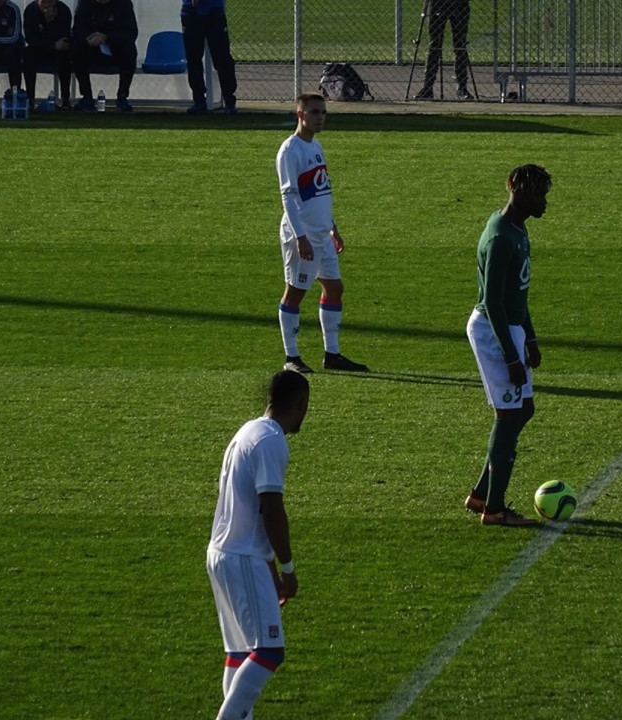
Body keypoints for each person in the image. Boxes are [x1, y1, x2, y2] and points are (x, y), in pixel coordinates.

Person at [206, 370, 309, 720]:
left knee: (240, 652)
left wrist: (271, 572)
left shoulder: (248, 431)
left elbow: (250, 509)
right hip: (242, 557)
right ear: (301, 404)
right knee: (268, 651)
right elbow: (271, 509)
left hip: (223, 552)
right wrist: (287, 568)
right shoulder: (271, 442)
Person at [464, 164, 552, 527]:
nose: (544, 202)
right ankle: (495, 510)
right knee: (508, 415)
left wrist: (529, 338)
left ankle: (482, 494)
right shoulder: (501, 237)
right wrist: (512, 356)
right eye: (539, 194)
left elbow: (519, 294)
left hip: (511, 328)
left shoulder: (517, 229)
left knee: (523, 409)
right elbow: (496, 303)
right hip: (493, 330)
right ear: (518, 190)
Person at [275, 93, 368, 375]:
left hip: (322, 233)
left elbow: (320, 190)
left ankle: (332, 354)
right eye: (314, 112)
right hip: (301, 234)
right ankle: (292, 357)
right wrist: (300, 237)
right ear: (300, 115)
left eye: (323, 112)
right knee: (295, 293)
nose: (320, 117)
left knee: (335, 288)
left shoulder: (316, 146)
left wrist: (332, 226)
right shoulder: (290, 151)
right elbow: (289, 197)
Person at [71, 0, 136, 112]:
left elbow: (131, 32)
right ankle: (87, 97)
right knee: (77, 51)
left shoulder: (124, 4)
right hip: (91, 48)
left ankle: (122, 96)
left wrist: (107, 37)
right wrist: (88, 38)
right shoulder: (84, 3)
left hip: (115, 49)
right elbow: (77, 30)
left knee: (130, 51)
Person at [180, 0, 237, 115]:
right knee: (193, 59)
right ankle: (199, 100)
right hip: (190, 12)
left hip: (214, 11)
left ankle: (229, 101)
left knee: (222, 59)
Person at [413, 0, 473, 100]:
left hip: (459, 4)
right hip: (438, 3)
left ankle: (462, 88)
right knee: (434, 45)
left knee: (460, 45)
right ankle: (427, 88)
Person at [23, 0, 72, 107]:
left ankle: (65, 99)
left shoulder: (63, 10)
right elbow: (30, 38)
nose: (47, 5)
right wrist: (52, 44)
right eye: (44, 2)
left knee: (64, 56)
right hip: (39, 49)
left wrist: (52, 22)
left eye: (50, 2)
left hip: (58, 50)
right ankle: (30, 98)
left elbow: (64, 36)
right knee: (28, 55)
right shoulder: (31, 11)